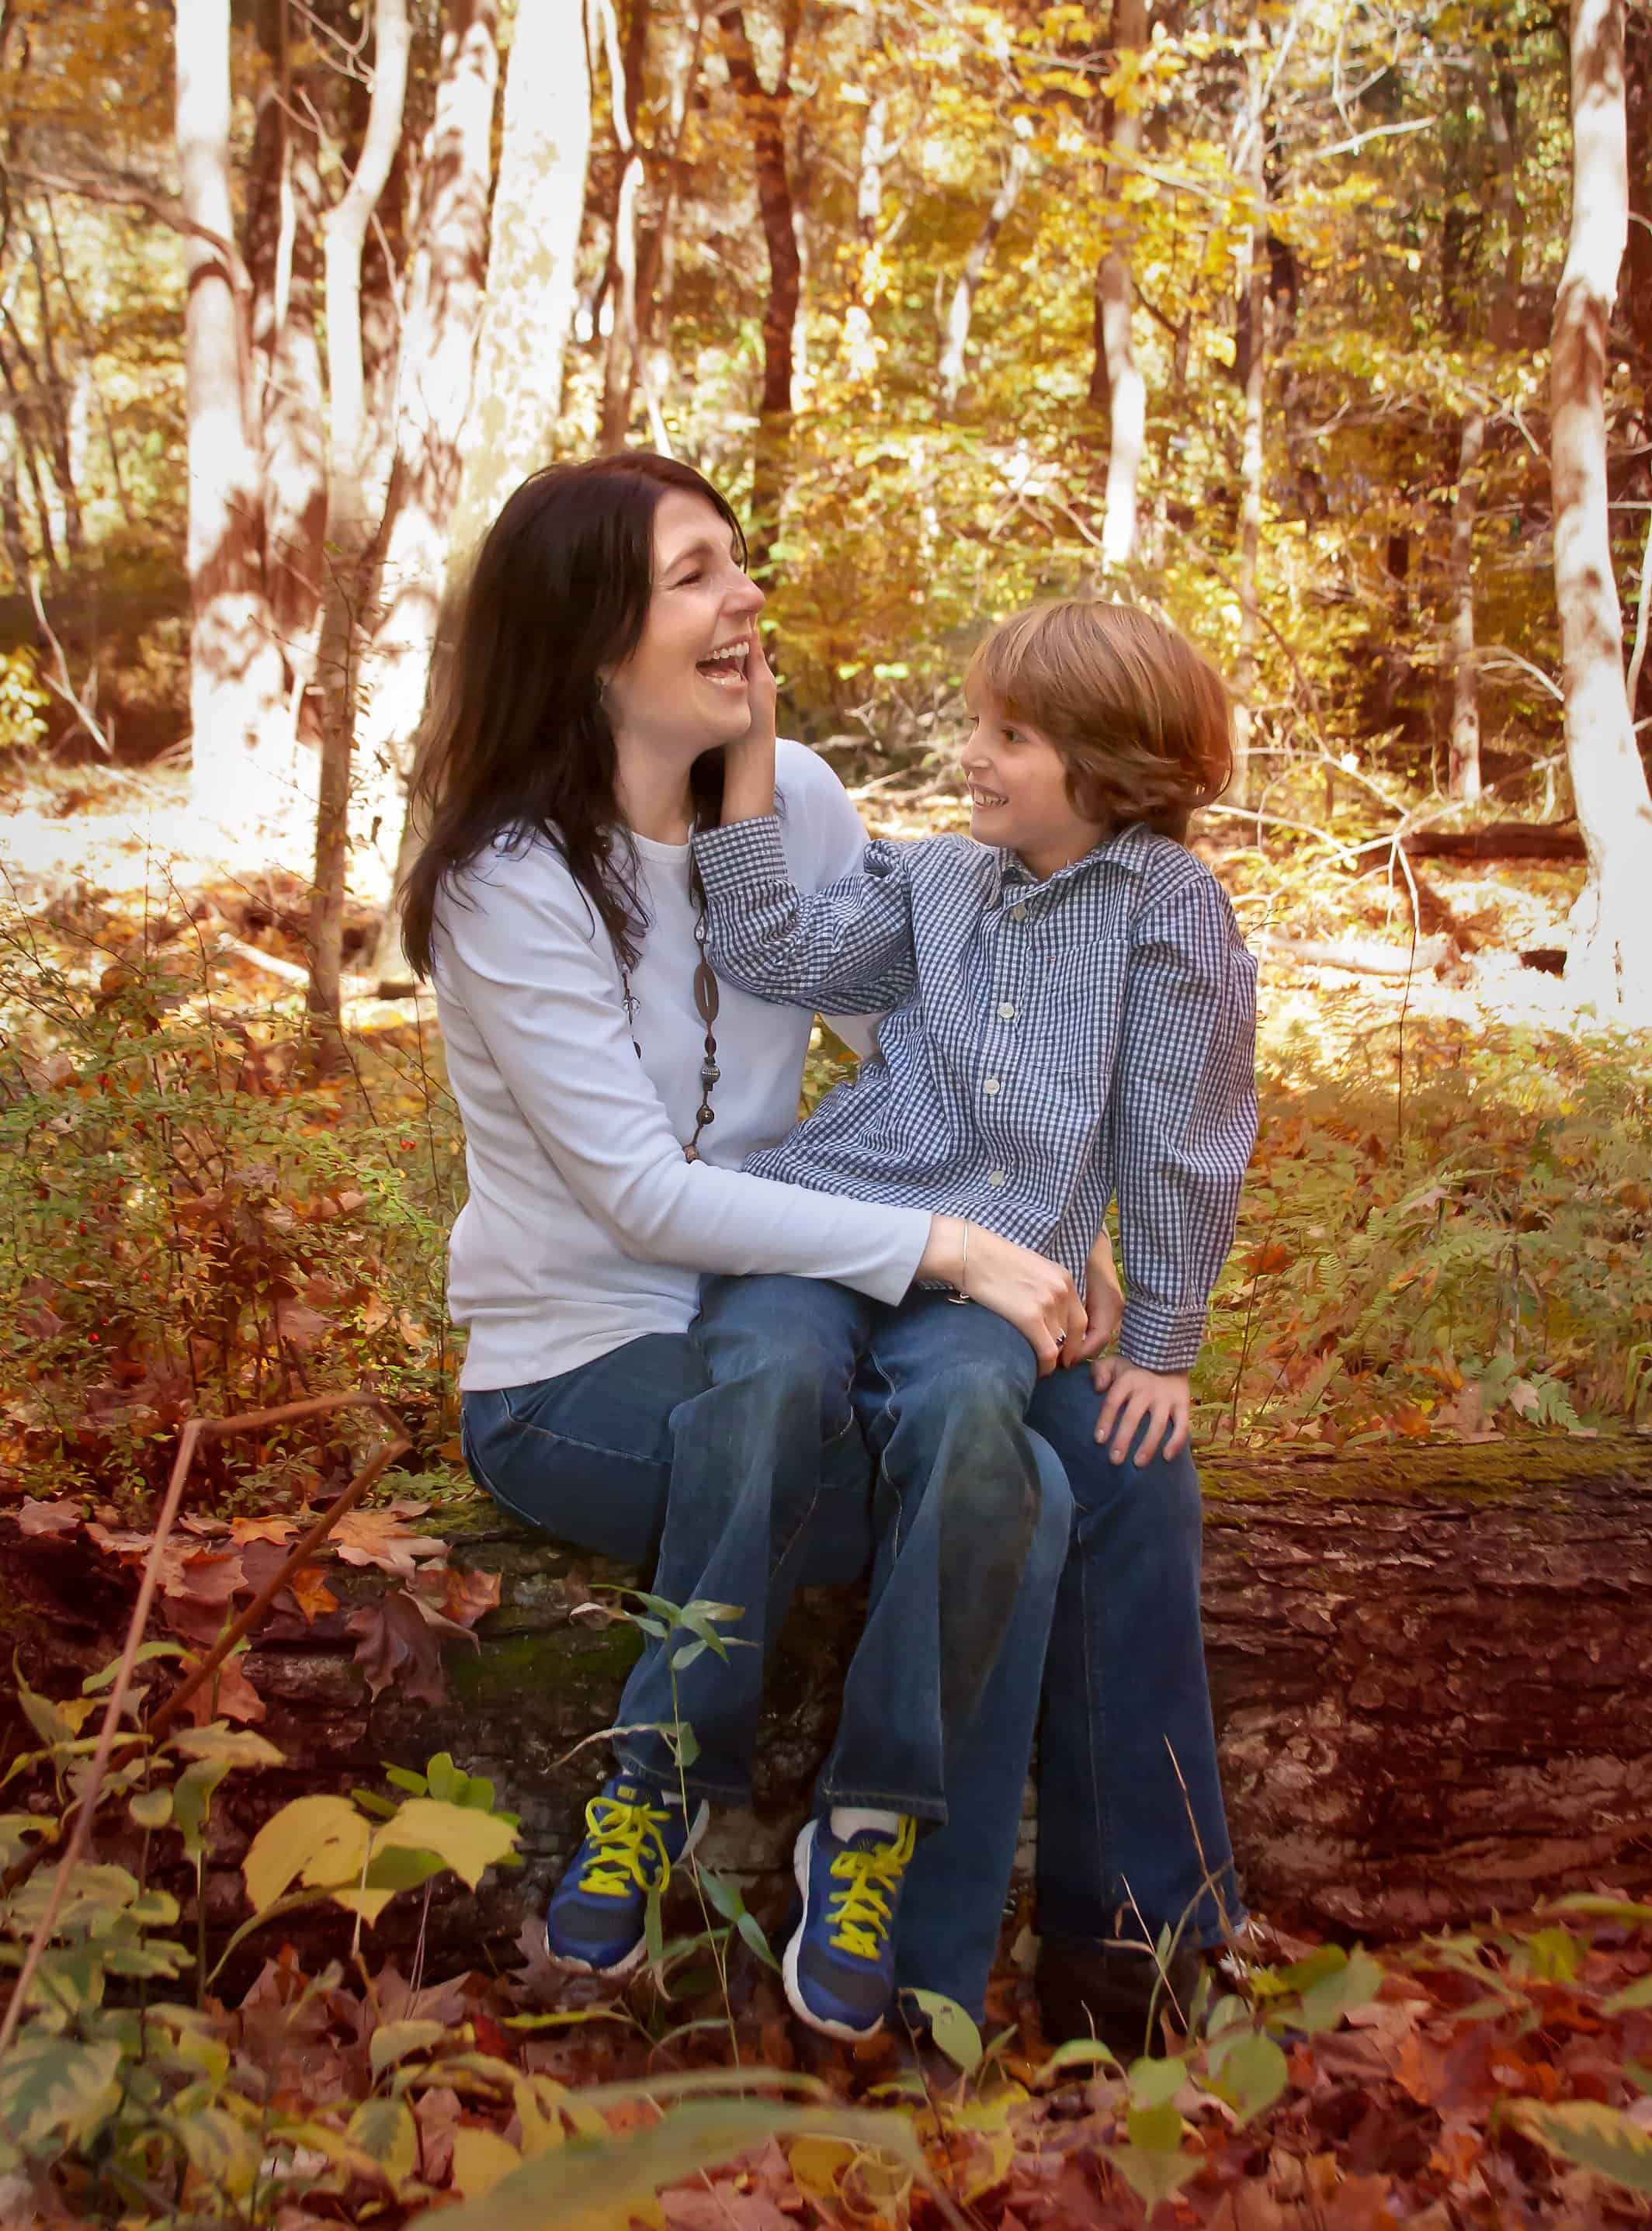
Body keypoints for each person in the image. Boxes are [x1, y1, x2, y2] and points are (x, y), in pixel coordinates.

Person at [408, 450, 1244, 2057]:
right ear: (590, 635)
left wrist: (1042, 1215)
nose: (747, 602)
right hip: (590, 1360)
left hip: (826, 1295)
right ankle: (905, 1951)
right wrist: (948, 1246)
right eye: (696, 575)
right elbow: (648, 1203)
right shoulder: (511, 883)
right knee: (1020, 1489)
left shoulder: (786, 798)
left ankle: (1133, 1947)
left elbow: (924, 1023)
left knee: (1131, 1456)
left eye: (740, 561)